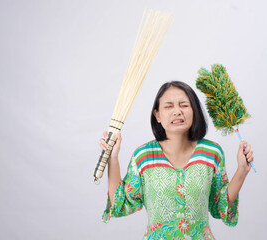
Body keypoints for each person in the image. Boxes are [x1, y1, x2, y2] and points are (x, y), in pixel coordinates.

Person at [100, 81, 254, 240]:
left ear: (194, 110)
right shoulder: (144, 156)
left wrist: (242, 170)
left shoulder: (211, 153)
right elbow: (119, 204)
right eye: (168, 106)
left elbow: (219, 206)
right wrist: (113, 158)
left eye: (184, 105)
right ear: (157, 115)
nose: (177, 111)